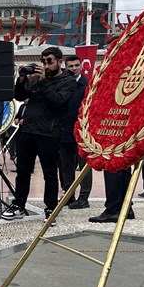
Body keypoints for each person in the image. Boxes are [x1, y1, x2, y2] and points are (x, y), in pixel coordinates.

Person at [1, 47, 75, 221]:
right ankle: (19, 205)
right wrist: (21, 79)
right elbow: (19, 96)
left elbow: (57, 101)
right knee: (23, 171)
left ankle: (50, 208)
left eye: (49, 61)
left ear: (60, 60)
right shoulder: (37, 80)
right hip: (28, 131)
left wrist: (43, 82)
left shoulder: (68, 81)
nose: (46, 65)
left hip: (49, 133)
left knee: (49, 173)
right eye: (43, 62)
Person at [59, 55, 93, 209]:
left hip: (81, 132)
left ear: (81, 66)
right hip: (63, 131)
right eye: (70, 66)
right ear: (66, 66)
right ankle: (68, 195)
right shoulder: (62, 83)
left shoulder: (87, 85)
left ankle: (83, 197)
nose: (73, 68)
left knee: (84, 166)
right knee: (66, 166)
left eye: (76, 65)